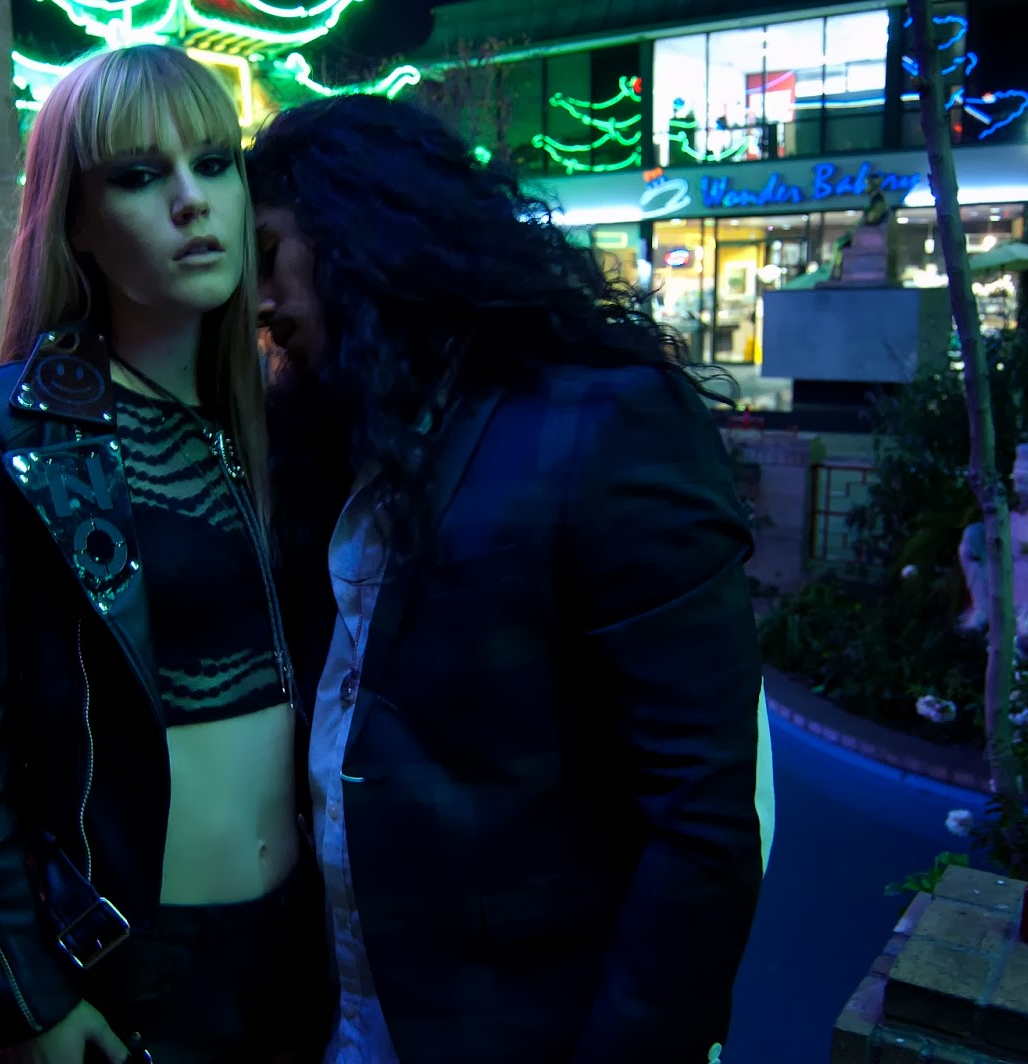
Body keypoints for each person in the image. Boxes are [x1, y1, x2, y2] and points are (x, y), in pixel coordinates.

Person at [249, 94, 776, 1064]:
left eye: (271, 253)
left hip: (523, 1026)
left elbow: (700, 824)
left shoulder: (607, 423)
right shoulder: (338, 440)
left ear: (359, 238)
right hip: (349, 1016)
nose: (260, 301)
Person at [0, 45, 326, 1064]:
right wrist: (32, 989)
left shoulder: (287, 418)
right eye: (137, 175)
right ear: (76, 223)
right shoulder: (13, 431)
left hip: (303, 942)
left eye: (213, 163)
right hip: (141, 961)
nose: (191, 200)